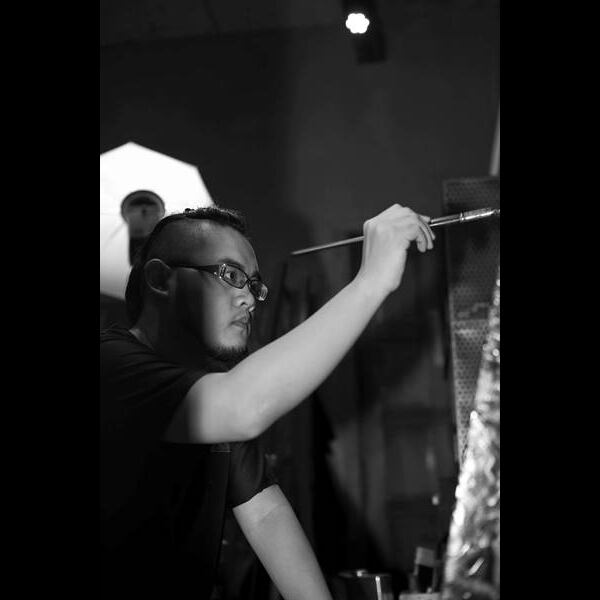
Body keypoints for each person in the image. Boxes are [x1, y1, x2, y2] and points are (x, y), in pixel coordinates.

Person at [100, 203, 435, 599]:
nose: (250, 298)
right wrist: (371, 281)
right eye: (231, 275)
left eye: (254, 285)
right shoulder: (111, 363)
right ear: (161, 279)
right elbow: (241, 407)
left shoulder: (209, 390)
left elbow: (265, 514)